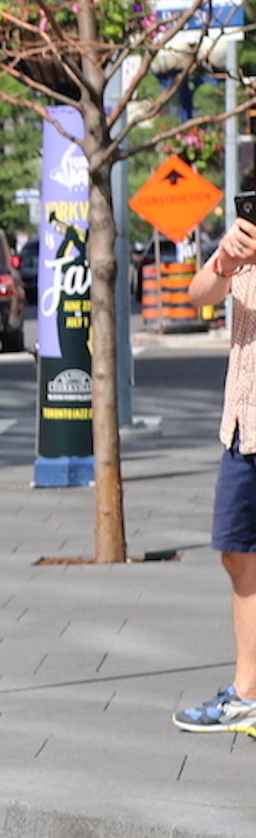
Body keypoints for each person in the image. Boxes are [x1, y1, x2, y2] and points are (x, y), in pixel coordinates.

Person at [176, 214, 256, 731]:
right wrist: (226, 259)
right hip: (244, 419)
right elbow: (197, 294)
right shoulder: (245, 236)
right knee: (237, 552)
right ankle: (247, 691)